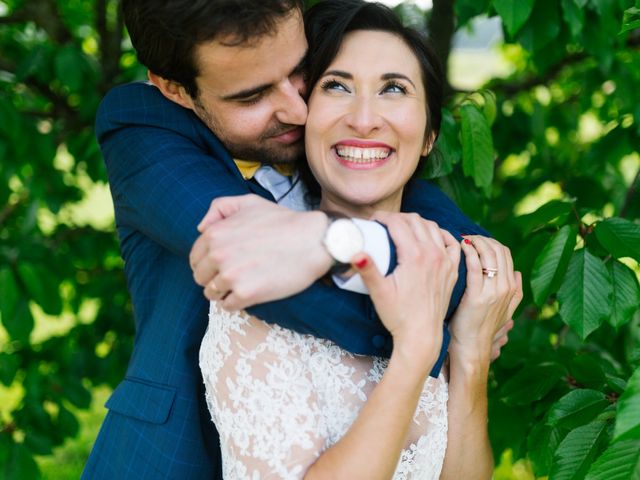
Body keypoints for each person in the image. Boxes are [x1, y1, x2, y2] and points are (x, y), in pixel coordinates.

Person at [84, 0, 512, 478]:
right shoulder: (145, 129)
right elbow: (251, 266)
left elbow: (470, 262)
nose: (297, 108)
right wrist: (341, 248)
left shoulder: (349, 154)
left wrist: (472, 302)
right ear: (175, 89)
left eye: (303, 71)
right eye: (251, 96)